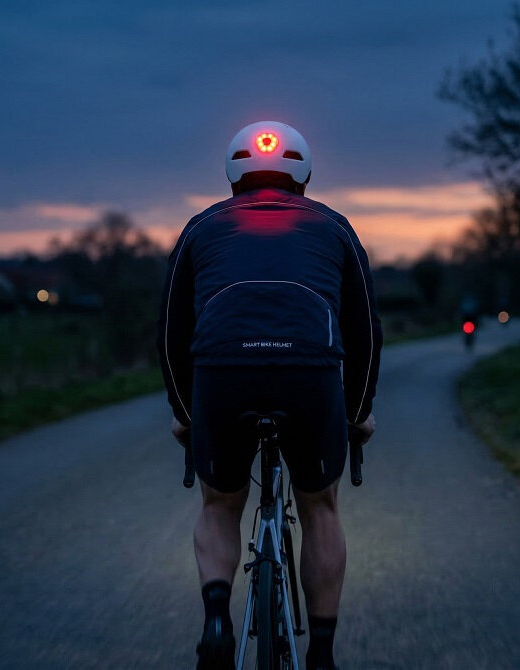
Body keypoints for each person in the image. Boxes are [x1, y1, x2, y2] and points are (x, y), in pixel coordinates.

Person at [157, 121, 382, 670]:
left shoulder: (200, 228)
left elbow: (169, 335)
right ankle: (322, 655)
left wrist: (186, 416)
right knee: (320, 504)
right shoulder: (335, 227)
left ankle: (216, 618)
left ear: (232, 173)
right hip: (309, 372)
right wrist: (355, 417)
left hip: (222, 371)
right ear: (303, 171)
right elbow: (366, 335)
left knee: (219, 503)